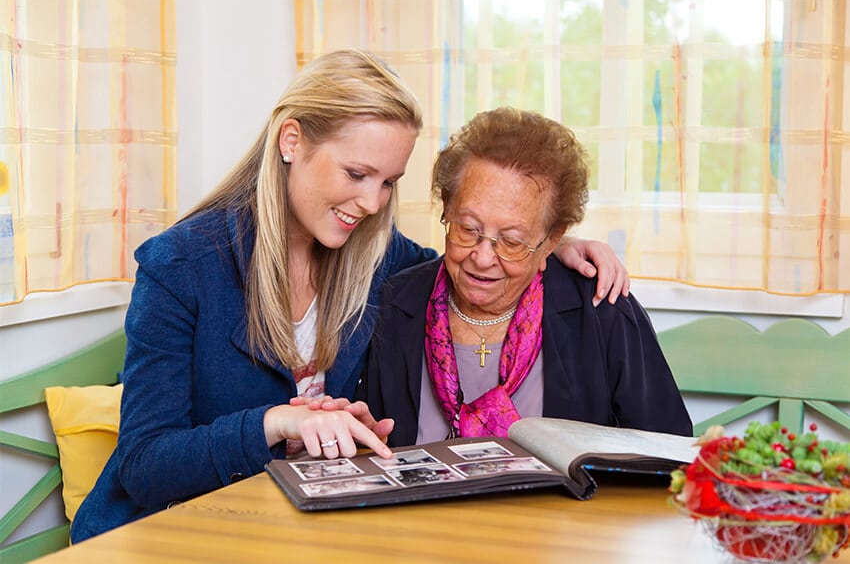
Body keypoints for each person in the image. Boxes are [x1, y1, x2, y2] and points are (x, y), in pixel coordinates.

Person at [71, 51, 628, 543]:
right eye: (357, 173)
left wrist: (543, 246)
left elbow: (467, 265)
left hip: (283, 530)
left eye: (388, 181)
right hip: (162, 535)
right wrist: (279, 424)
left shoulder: (381, 256)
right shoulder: (181, 268)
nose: (370, 202)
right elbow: (143, 466)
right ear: (292, 141)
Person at [356, 106, 692, 446]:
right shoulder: (394, 306)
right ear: (446, 207)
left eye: (512, 242)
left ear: (552, 239)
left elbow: (666, 452)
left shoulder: (600, 309)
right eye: (468, 229)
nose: (483, 257)